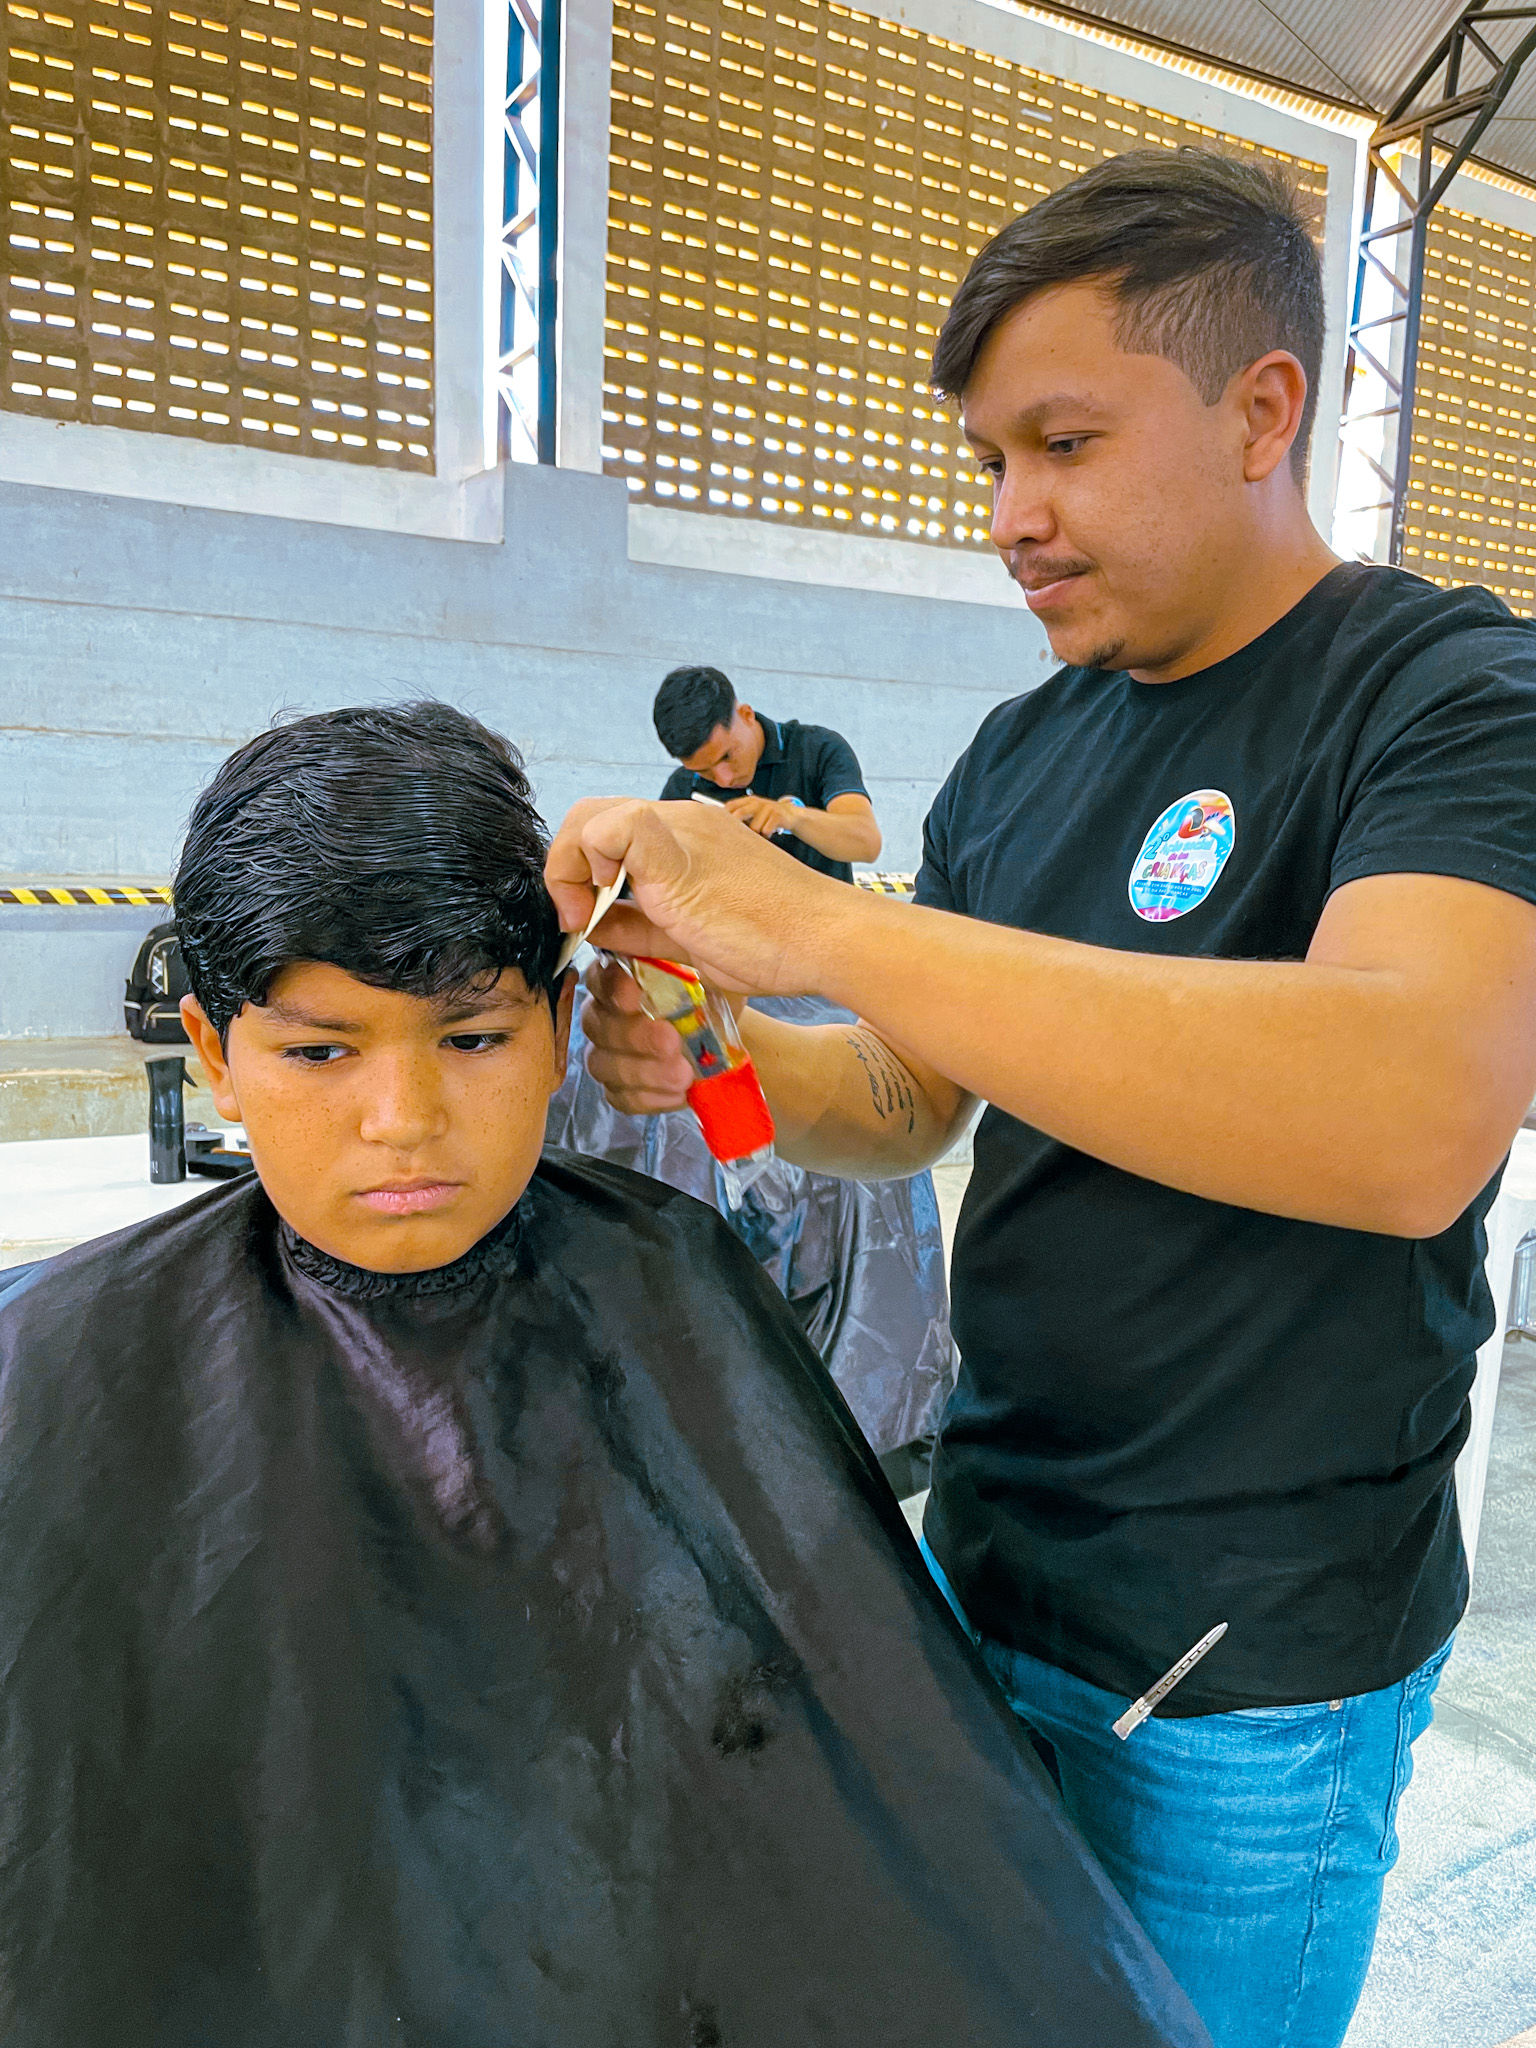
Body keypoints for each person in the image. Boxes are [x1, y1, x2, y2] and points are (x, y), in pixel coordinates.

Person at [548, 149, 1536, 2048]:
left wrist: (811, 918)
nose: (1012, 514)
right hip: (987, 1565)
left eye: (1063, 442)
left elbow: (1411, 1113)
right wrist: (740, 1047)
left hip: (1251, 1659)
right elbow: (921, 1089)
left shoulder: (1441, 692)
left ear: (1264, 407)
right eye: (991, 459)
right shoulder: (1024, 745)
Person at [0, 702, 1207, 2048]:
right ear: (217, 1052)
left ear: (562, 1021)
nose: (402, 1122)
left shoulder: (675, 1275)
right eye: (319, 1051)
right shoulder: (50, 1362)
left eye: (471, 1039)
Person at [654, 662, 882, 880]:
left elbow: (867, 843)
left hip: (828, 917)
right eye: (705, 771)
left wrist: (793, 817)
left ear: (746, 715)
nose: (724, 780)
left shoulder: (817, 749)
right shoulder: (682, 788)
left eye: (727, 756)